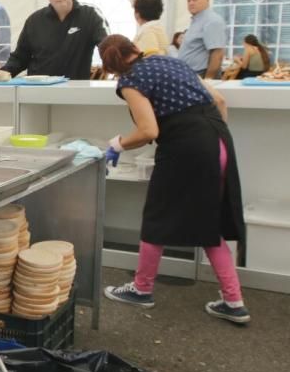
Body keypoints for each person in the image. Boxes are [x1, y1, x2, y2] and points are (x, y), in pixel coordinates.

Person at [99, 34, 249, 325]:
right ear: (135, 49)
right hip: (217, 138)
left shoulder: (130, 80)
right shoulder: (167, 60)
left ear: (111, 67)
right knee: (210, 221)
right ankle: (233, 301)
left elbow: (149, 131)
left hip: (185, 147)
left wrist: (118, 144)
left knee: (157, 215)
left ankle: (142, 289)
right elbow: (219, 99)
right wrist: (207, 139)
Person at [3, 0, 108, 80]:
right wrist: (2, 73)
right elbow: (20, 58)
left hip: (75, 92)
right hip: (37, 92)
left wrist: (123, 63)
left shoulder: (90, 16)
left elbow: (106, 47)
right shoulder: (34, 21)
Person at [178, 0, 225, 78]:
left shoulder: (212, 21)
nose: (191, 3)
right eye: (188, 0)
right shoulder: (197, 21)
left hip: (200, 75)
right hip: (190, 74)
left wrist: (208, 80)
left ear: (207, 0)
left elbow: (217, 53)